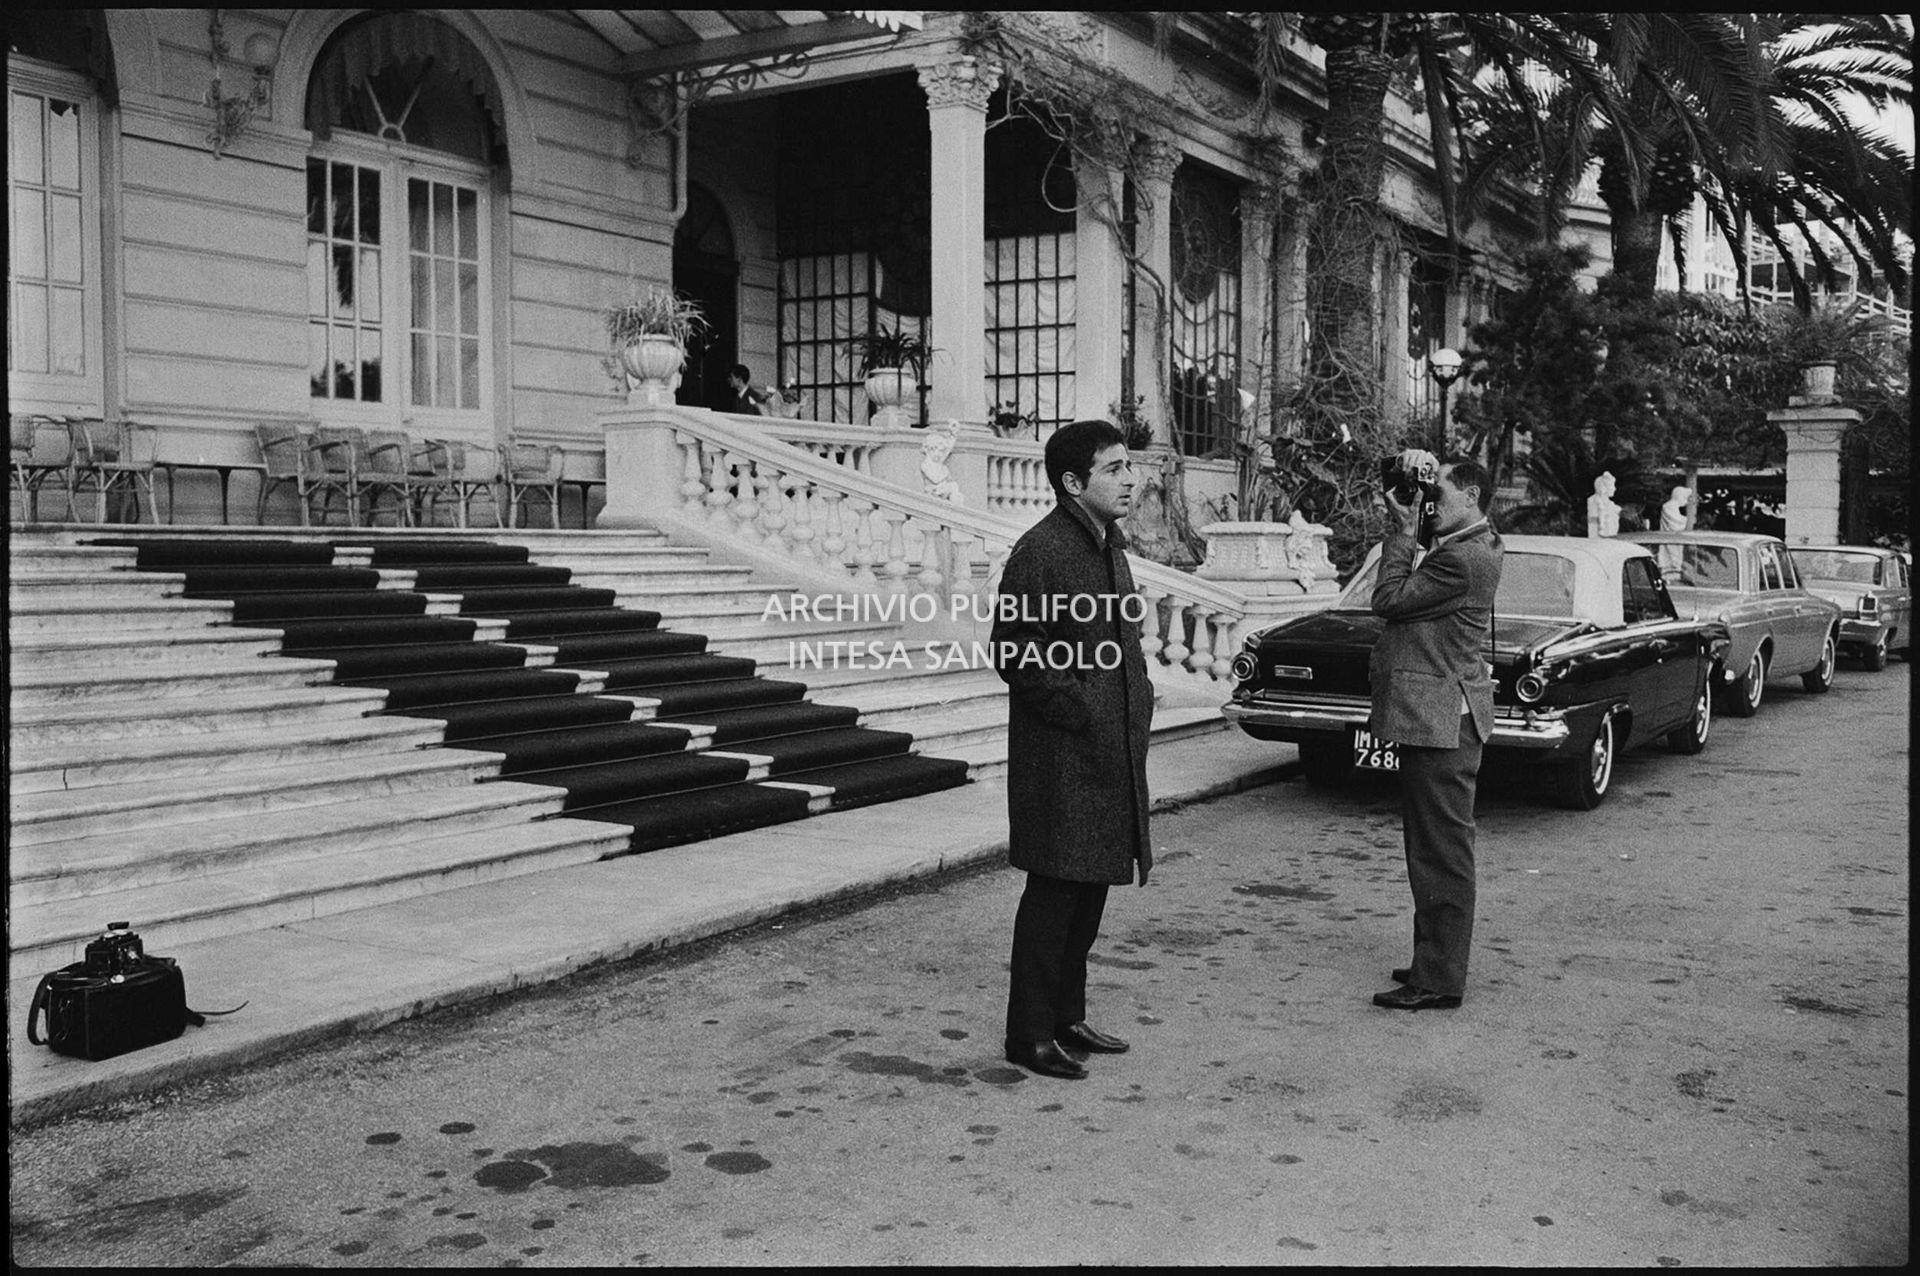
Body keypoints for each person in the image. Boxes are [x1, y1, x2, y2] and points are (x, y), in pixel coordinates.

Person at [990, 419, 1154, 1079]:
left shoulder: (1105, 543)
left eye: (1127, 466)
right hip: (1064, 758)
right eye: (1114, 468)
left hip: (1107, 752)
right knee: (1055, 893)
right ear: (1072, 482)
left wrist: (1132, 697)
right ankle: (1028, 1035)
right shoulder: (1042, 549)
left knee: (1089, 891)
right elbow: (1015, 650)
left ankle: (1065, 1017)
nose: (1129, 479)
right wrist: (1082, 709)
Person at [1368, 451, 1504, 1012]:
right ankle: (1434, 960)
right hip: (1445, 714)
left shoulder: (1461, 561)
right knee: (1431, 846)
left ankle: (1440, 979)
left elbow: (1389, 600)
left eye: (1439, 495)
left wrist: (1403, 534)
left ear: (1471, 496)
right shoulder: (1474, 544)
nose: (1429, 504)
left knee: (1440, 852)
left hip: (1443, 720)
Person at [1586, 471, 1620, 538]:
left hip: (1611, 536)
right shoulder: (1593, 500)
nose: (1614, 488)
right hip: (1598, 538)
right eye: (1612, 485)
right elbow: (1593, 522)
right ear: (1603, 487)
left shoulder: (1611, 504)